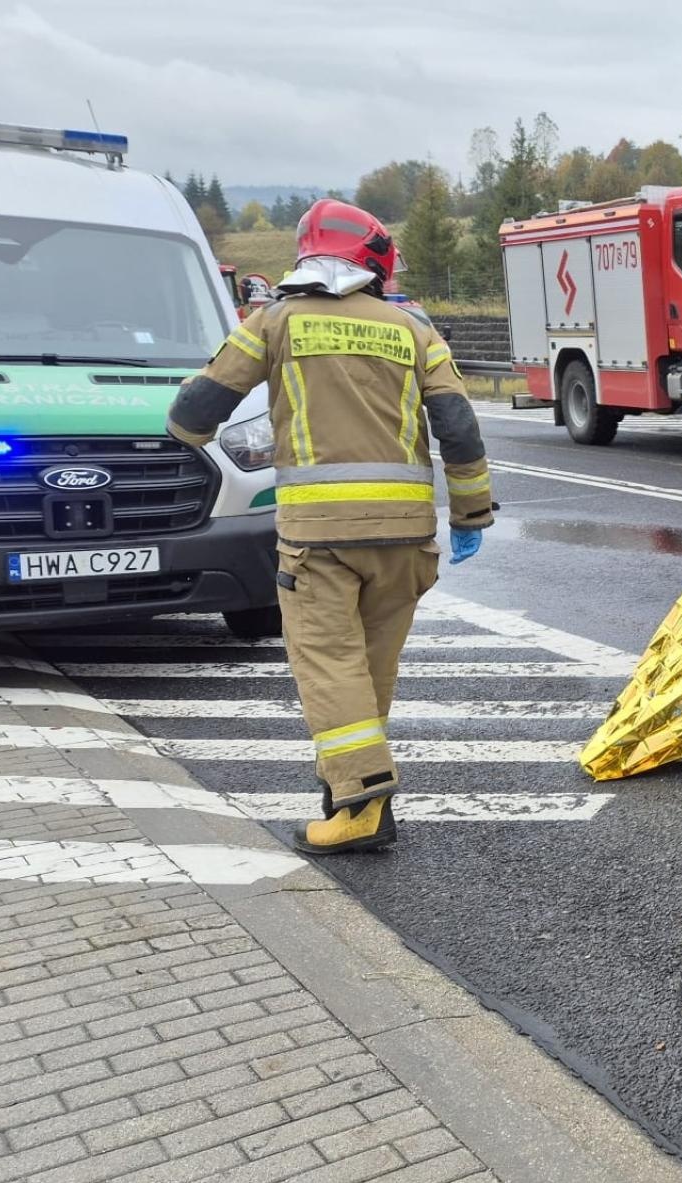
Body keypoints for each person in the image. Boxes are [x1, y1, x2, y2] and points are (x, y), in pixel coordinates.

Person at [168, 199, 494, 855]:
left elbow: (195, 411)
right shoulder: (413, 329)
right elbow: (458, 428)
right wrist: (470, 513)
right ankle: (346, 788)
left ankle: (362, 807)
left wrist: (191, 433)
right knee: (369, 673)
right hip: (406, 541)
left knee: (328, 667)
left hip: (318, 541)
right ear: (377, 264)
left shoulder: (275, 321)